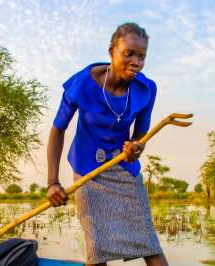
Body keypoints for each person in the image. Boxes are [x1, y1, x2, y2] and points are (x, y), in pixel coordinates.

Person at [46, 22, 168, 266]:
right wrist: (52, 182)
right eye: (129, 53)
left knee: (149, 242)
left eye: (142, 57)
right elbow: (58, 129)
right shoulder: (82, 84)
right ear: (112, 51)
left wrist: (135, 147)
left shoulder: (146, 89)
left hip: (124, 170)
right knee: (98, 248)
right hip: (88, 171)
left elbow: (140, 134)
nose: (136, 61)